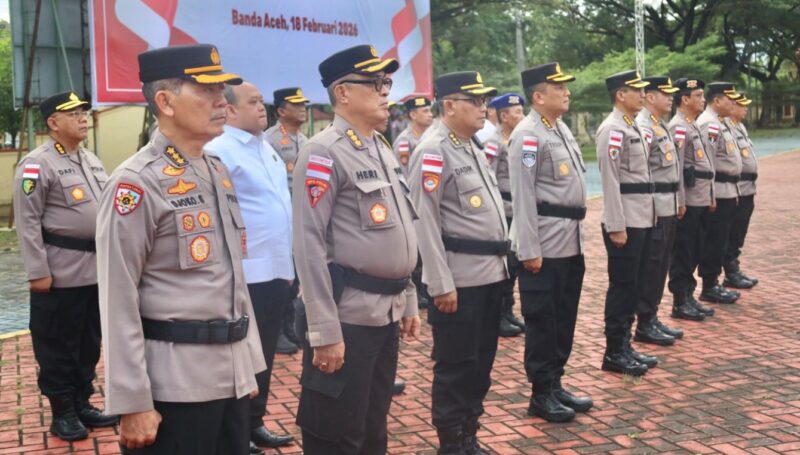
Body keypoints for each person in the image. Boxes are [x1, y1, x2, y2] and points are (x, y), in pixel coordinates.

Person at [96, 44, 266, 455]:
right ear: (165, 101)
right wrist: (133, 401)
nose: (220, 100)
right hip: (175, 385)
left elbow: (232, 277)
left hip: (231, 375)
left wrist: (250, 363)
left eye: (221, 90)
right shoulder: (136, 182)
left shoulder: (215, 170)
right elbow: (117, 298)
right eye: (206, 91)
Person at [291, 44, 420, 454]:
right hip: (346, 318)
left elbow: (401, 229)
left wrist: (409, 296)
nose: (386, 91)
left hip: (385, 313)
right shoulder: (322, 152)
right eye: (376, 83)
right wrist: (324, 331)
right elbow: (308, 246)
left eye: (387, 83)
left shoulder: (380, 146)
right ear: (343, 93)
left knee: (372, 425)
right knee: (337, 432)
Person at [409, 71, 508, 454]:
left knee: (480, 365)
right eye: (476, 100)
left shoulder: (469, 145)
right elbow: (424, 221)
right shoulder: (433, 150)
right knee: (456, 367)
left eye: (485, 101)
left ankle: (469, 436)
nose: (484, 108)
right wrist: (439, 283)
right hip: (460, 280)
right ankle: (451, 444)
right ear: (450, 105)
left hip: (488, 275)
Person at [12, 91, 118, 441]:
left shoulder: (90, 159)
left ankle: (82, 402)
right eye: (72, 113)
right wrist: (37, 271)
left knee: (89, 343)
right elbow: (27, 222)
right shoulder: (36, 164)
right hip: (60, 274)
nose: (83, 116)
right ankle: (63, 412)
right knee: (59, 345)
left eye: (84, 111)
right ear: (53, 122)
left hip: (94, 271)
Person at [205, 81, 295, 453]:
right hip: (246, 272)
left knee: (266, 352)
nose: (263, 108)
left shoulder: (266, 148)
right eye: (253, 102)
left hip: (277, 268)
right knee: (241, 358)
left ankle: (255, 421)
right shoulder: (219, 150)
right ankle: (238, 431)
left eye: (262, 101)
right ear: (229, 110)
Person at [508, 62, 592, 423]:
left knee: (564, 317)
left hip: (570, 241)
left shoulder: (557, 129)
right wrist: (529, 249)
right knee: (543, 319)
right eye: (559, 88)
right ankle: (541, 393)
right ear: (539, 96)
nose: (567, 92)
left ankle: (556, 383)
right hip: (544, 244)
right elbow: (523, 196)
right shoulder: (528, 135)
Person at [596, 70, 657, 377]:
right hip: (625, 222)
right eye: (637, 91)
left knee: (634, 285)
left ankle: (626, 345)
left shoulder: (632, 126)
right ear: (621, 95)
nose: (643, 95)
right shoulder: (613, 130)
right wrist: (616, 224)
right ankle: (614, 351)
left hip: (642, 217)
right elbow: (611, 180)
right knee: (622, 287)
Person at [632, 76, 686, 346]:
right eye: (665, 94)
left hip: (667, 204)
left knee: (661, 265)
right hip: (654, 207)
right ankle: (644, 321)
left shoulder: (660, 125)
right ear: (650, 97)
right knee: (651, 267)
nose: (670, 98)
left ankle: (651, 316)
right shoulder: (644, 127)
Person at [667, 78, 716, 321]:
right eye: (697, 95)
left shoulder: (693, 125)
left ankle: (688, 296)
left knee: (695, 249)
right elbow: (676, 167)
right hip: (689, 200)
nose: (702, 99)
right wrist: (680, 200)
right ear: (684, 99)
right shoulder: (678, 127)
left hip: (700, 197)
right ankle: (680, 300)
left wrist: (710, 196)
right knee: (684, 251)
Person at [265, 87, 310, 355]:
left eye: (303, 103)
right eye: (296, 104)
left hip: (302, 218)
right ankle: (279, 330)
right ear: (281, 111)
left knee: (296, 274)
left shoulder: (305, 140)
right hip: (281, 220)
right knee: (284, 277)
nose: (303, 107)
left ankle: (291, 325)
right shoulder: (269, 141)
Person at [696, 82, 748, 304]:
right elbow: (707, 162)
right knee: (714, 241)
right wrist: (710, 195)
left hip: (728, 190)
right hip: (717, 191)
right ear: (717, 101)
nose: (733, 102)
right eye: (729, 99)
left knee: (722, 239)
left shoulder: (721, 122)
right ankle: (709, 285)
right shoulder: (709, 124)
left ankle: (714, 283)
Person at [485, 93, 526, 338]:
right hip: (504, 210)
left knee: (514, 265)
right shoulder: (494, 142)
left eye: (521, 111)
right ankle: (499, 314)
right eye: (517, 112)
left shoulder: (518, 138)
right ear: (504, 116)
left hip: (517, 209)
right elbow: (488, 176)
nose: (521, 115)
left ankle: (509, 311)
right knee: (505, 263)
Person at [723, 94, 759, 288]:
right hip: (737, 189)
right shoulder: (726, 126)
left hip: (748, 189)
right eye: (741, 105)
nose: (745, 109)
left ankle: (733, 268)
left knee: (739, 233)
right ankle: (729, 271)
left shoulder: (739, 127)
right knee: (732, 232)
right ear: (732, 106)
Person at [392, 96, 433, 175]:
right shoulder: (404, 141)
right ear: (413, 115)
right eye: (425, 111)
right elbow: (404, 174)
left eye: (430, 111)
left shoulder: (431, 135)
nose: (430, 114)